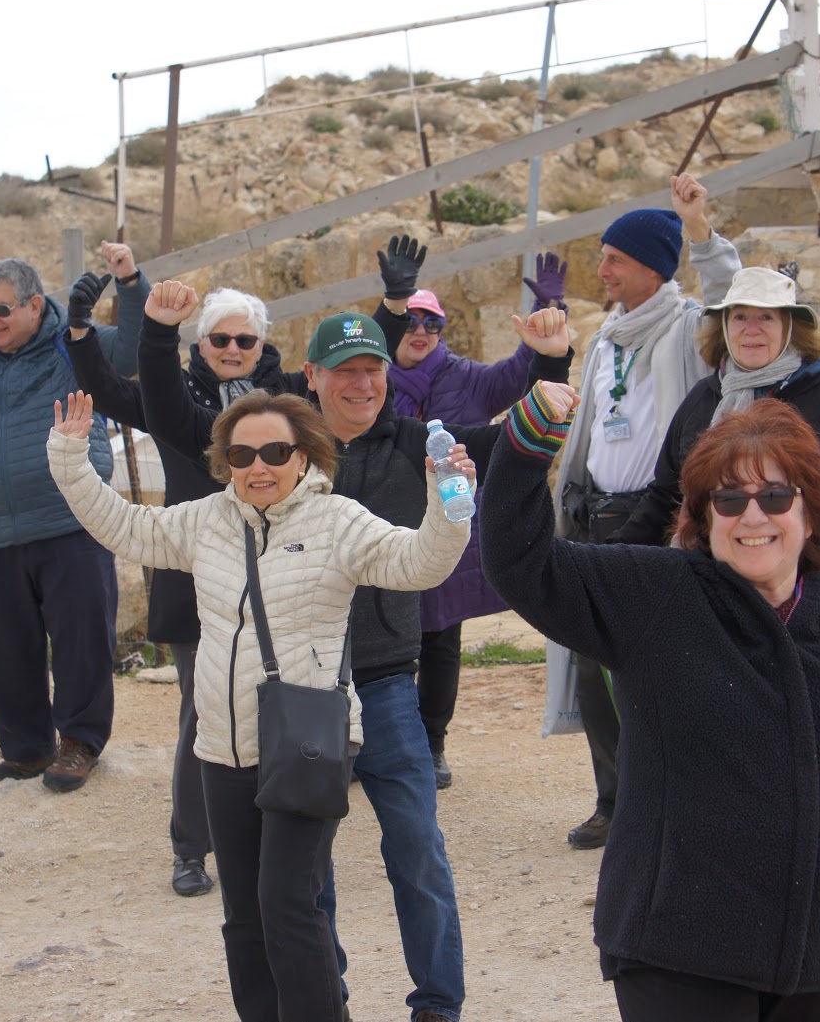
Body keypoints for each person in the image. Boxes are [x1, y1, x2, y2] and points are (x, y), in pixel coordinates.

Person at [139, 281, 571, 1022]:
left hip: (385, 680)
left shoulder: (416, 443)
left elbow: (519, 441)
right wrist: (155, 333)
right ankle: (323, 995)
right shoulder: (271, 450)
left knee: (417, 849)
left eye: (373, 369)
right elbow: (172, 415)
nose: (363, 384)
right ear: (312, 377)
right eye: (345, 371)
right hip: (300, 699)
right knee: (307, 877)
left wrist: (552, 364)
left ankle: (437, 1004)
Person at [482, 389, 820, 1020]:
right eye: (728, 500)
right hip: (680, 953)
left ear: (810, 512)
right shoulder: (655, 597)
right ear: (703, 518)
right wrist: (526, 446)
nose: (753, 516)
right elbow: (523, 564)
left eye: (775, 496)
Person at [48, 386, 471, 1022]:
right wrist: (69, 456)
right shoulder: (205, 520)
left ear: (305, 456)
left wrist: (448, 503)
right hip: (222, 748)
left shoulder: (338, 521)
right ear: (225, 463)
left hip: (307, 741)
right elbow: (123, 526)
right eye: (241, 455)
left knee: (288, 905)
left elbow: (420, 564)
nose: (258, 467)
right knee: (243, 916)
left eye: (275, 452)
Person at [66, 241, 300, 897]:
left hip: (279, 575)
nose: (232, 348)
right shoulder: (175, 393)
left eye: (244, 340)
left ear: (261, 345)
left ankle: (271, 841)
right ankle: (191, 846)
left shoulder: (290, 398)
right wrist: (81, 331)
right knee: (204, 711)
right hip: (196, 575)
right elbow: (107, 389)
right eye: (220, 338)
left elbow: (355, 395)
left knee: (280, 709)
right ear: (200, 343)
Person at [548, 173, 740, 850]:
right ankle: (615, 801)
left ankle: (670, 801)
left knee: (655, 667)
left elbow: (729, 296)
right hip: (593, 519)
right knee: (593, 667)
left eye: (615, 260)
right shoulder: (607, 336)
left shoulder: (689, 329)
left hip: (658, 519)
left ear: (653, 268)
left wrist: (698, 229)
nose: (601, 271)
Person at [369, 235, 560, 788]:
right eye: (412, 321)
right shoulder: (370, 381)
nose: (421, 331)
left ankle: (432, 745)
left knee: (440, 640)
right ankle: (377, 744)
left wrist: (548, 314)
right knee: (381, 638)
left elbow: (524, 371)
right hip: (385, 525)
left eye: (432, 323)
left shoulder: (466, 377)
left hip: (447, 528)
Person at [0, 257, 141, 791]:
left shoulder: (73, 344)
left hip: (71, 520)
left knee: (81, 639)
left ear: (35, 305)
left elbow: (131, 351)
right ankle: (27, 750)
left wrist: (131, 285)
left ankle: (79, 742)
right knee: (4, 649)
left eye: (2, 308)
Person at [612, 266, 820, 594]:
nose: (751, 329)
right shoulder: (704, 398)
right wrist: (610, 560)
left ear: (789, 328)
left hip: (804, 592)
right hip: (709, 588)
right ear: (725, 327)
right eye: (740, 317)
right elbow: (665, 495)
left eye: (766, 318)